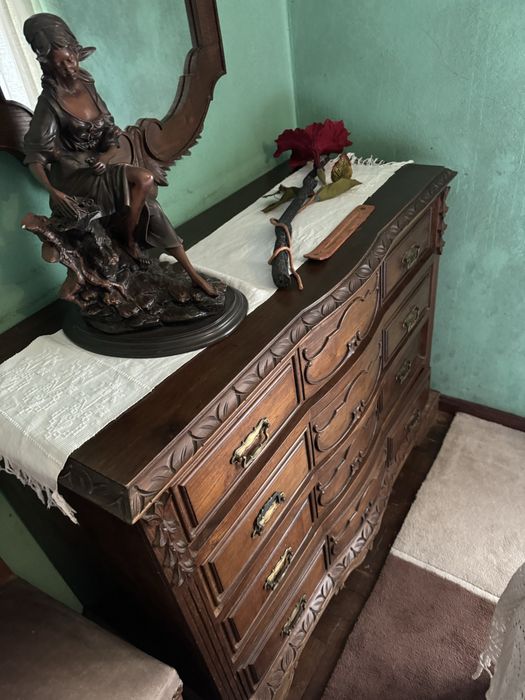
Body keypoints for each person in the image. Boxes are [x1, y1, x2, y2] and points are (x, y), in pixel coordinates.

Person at [22, 13, 216, 296]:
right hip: (74, 178)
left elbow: (111, 133)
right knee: (145, 184)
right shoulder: (50, 103)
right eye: (60, 63)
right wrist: (54, 193)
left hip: (97, 166)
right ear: (47, 64)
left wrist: (106, 156)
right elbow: (34, 157)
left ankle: (183, 268)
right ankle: (131, 241)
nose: (68, 67)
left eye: (71, 59)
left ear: (77, 55)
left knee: (149, 197)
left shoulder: (87, 85)